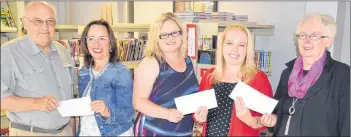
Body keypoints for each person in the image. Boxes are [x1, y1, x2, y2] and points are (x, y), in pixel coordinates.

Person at [261, 13, 350, 136]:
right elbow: (277, 114)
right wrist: (272, 120)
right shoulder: (287, 73)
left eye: (314, 36)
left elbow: (347, 126)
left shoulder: (343, 75)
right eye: (302, 35)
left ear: (327, 41)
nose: (306, 40)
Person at [1, 1, 76, 136]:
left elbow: (71, 95)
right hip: (30, 132)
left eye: (50, 21)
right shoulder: (8, 52)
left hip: (65, 131)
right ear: (24, 22)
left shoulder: (62, 50)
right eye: (38, 21)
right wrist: (36, 103)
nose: (45, 27)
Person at [133, 12, 205, 136]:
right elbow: (138, 102)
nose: (170, 38)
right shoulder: (151, 63)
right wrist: (167, 114)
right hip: (154, 132)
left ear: (181, 34)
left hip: (183, 132)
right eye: (164, 35)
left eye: (174, 33)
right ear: (156, 39)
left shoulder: (187, 61)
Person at [195, 24, 274, 136]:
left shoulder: (258, 78)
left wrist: (250, 120)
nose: (234, 49)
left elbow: (267, 120)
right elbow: (199, 114)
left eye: (241, 45)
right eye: (229, 43)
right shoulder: (209, 76)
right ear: (222, 46)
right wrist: (199, 118)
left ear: (247, 49)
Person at [77, 19, 135, 136]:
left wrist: (106, 111)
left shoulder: (121, 72)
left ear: (111, 43)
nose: (96, 43)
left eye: (102, 38)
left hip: (114, 133)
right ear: (85, 42)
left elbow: (129, 113)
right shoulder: (83, 71)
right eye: (91, 38)